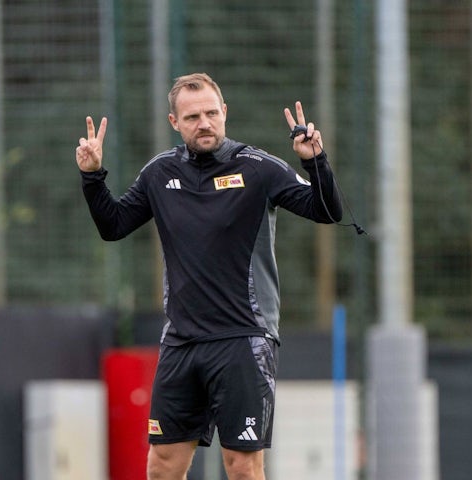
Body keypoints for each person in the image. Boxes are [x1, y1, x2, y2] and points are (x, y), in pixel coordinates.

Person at [76, 73, 342, 480]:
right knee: (161, 467)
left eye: (212, 113)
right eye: (193, 116)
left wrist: (314, 160)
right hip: (181, 343)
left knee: (242, 467)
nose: (204, 122)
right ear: (174, 122)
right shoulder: (159, 173)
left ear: (225, 113)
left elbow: (326, 210)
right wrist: (93, 177)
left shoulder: (258, 168)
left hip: (243, 339)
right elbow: (113, 225)